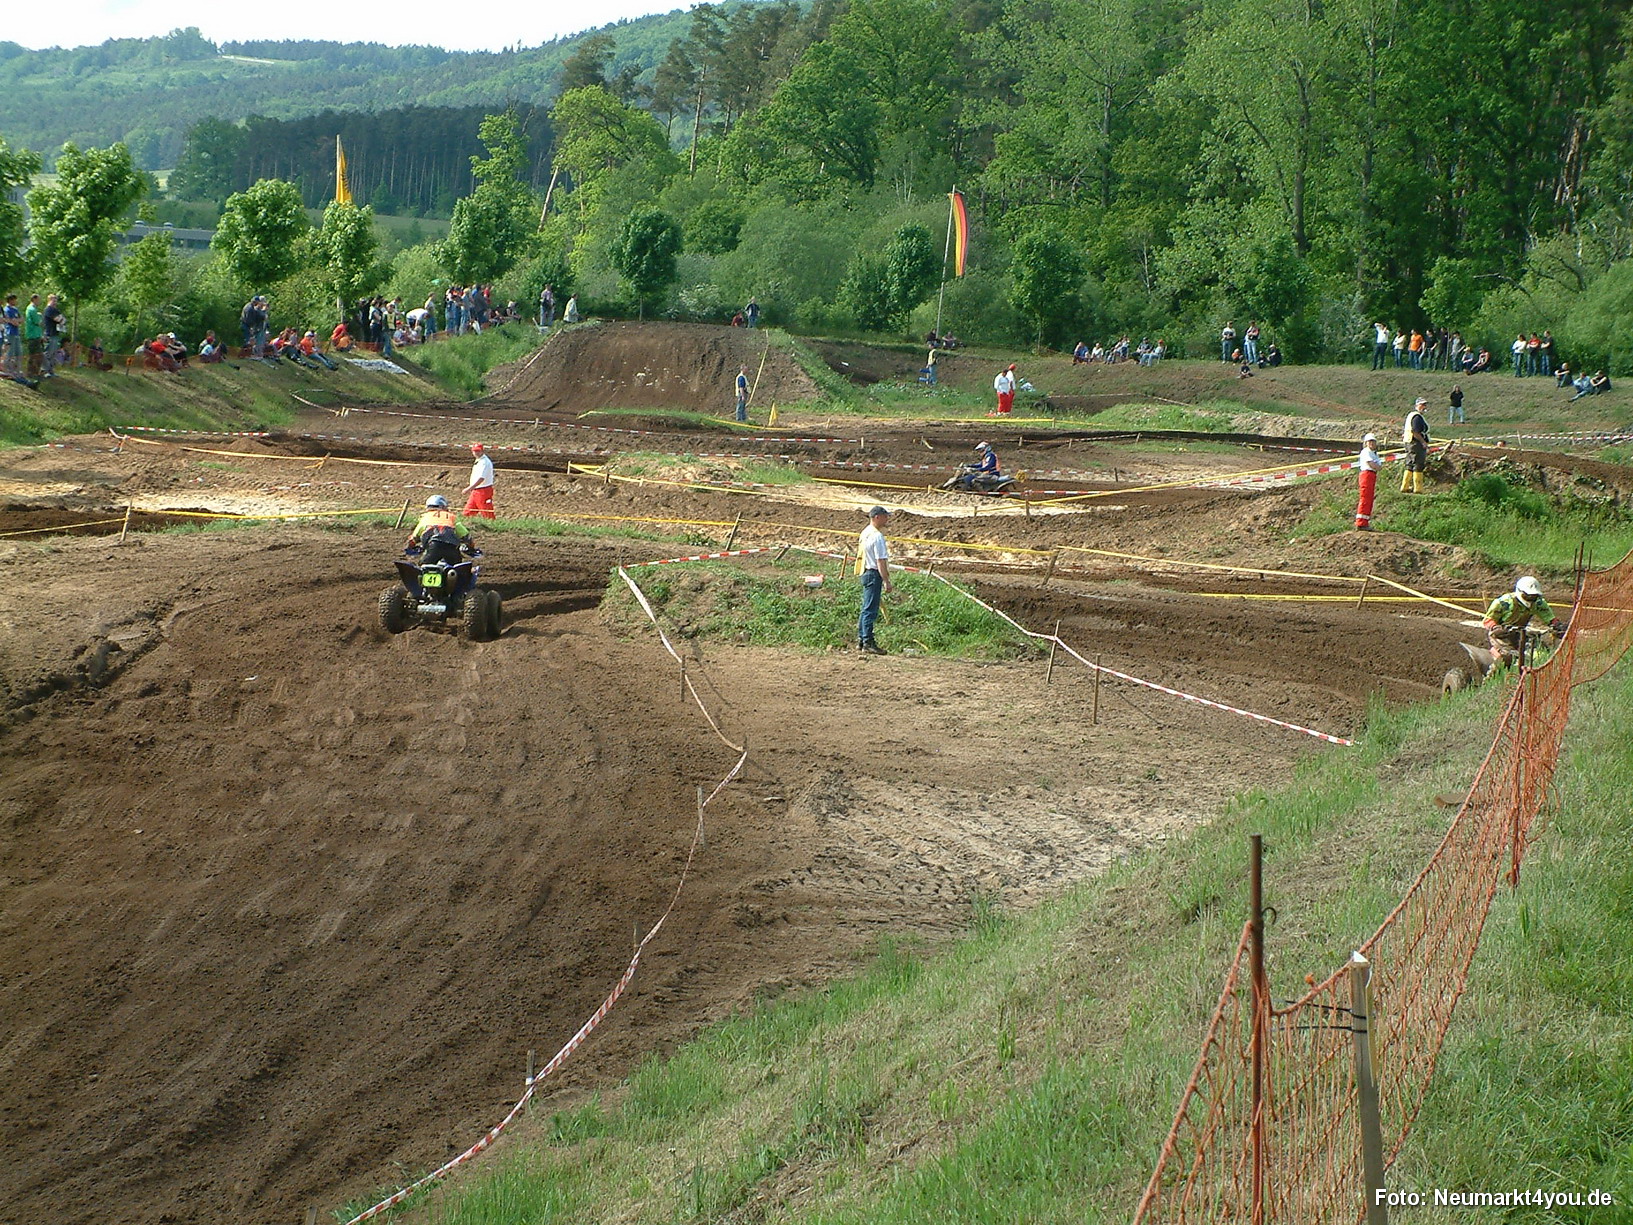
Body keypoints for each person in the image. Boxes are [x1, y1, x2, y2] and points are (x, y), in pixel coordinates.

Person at [1482, 576, 1565, 666]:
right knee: (1507, 656)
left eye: (1534, 597)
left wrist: (1557, 625)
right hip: (1500, 635)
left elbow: (1550, 618)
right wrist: (1496, 627)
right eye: (1528, 596)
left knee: (1541, 652)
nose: (1530, 599)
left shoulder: (1538, 603)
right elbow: (1488, 620)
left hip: (1520, 633)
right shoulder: (1504, 602)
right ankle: (1492, 673)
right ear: (1519, 591)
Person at [856, 506, 893, 655]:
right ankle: (868, 642)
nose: (887, 519)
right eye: (885, 516)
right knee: (870, 609)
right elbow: (880, 561)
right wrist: (886, 580)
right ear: (877, 517)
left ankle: (861, 640)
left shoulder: (865, 532)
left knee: (866, 607)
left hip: (865, 571)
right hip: (873, 573)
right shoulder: (877, 537)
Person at [407, 494, 479, 567]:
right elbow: (466, 536)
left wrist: (410, 547)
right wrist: (471, 548)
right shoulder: (451, 516)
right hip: (451, 546)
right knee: (457, 568)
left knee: (424, 567)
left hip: (433, 546)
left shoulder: (425, 517)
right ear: (444, 506)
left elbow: (414, 537)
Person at [1401, 397, 1430, 493]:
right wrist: (1423, 442)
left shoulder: (1412, 415)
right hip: (1415, 443)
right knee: (1418, 464)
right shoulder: (1417, 417)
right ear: (1417, 405)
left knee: (1409, 464)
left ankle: (1405, 486)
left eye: (1425, 404)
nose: (1424, 407)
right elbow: (1416, 432)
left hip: (1409, 442)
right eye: (1422, 404)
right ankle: (1418, 488)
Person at [1355, 433, 1382, 530]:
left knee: (1369, 498)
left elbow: (1378, 465)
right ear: (1366, 443)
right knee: (1365, 498)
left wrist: (1377, 467)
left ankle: (1364, 521)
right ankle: (1361, 522)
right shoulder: (1366, 452)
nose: (1371, 443)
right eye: (1370, 441)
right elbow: (1372, 464)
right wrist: (1377, 467)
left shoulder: (1374, 453)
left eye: (1373, 441)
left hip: (1371, 475)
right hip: (1366, 474)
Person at [463, 443, 496, 519]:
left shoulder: (484, 462)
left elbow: (481, 478)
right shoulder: (478, 460)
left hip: (483, 490)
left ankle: (492, 526)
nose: (476, 453)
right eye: (475, 451)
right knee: (467, 512)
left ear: (482, 451)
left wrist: (469, 488)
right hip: (476, 491)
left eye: (478, 451)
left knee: (487, 513)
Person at [41, 293, 63, 378]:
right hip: (49, 333)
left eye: (56, 300)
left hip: (56, 333)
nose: (55, 302)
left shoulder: (56, 310)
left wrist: (61, 319)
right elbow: (58, 319)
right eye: (54, 300)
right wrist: (60, 319)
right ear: (49, 300)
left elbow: (63, 319)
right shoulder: (48, 310)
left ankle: (51, 371)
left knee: (53, 353)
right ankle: (45, 370)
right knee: (48, 353)